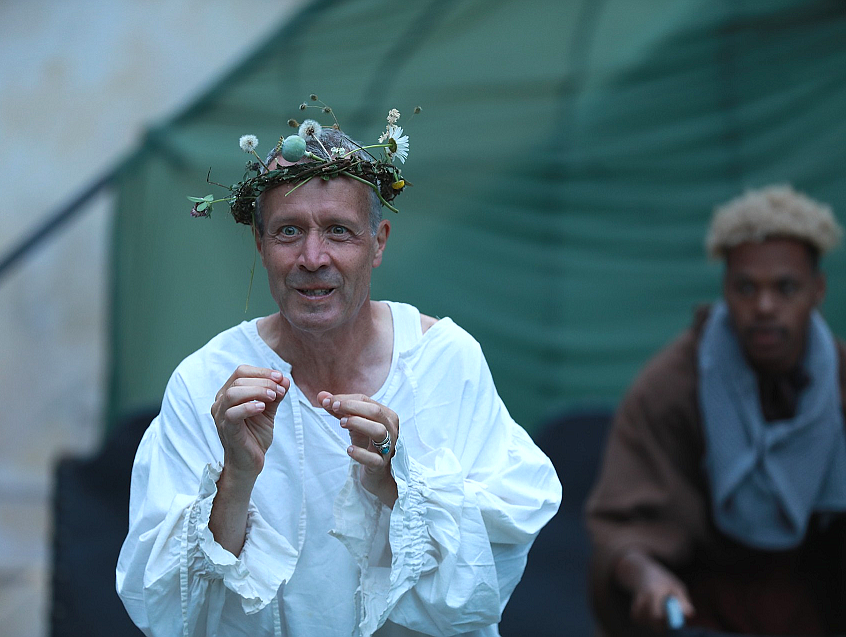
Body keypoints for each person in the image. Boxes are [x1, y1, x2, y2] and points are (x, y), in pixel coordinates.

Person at [116, 108, 561, 637]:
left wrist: (399, 484)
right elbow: (167, 608)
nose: (312, 256)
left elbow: (492, 570)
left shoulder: (444, 362)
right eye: (287, 231)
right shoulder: (207, 383)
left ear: (378, 243)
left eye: (339, 231)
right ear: (259, 245)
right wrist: (235, 477)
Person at [586, 185, 846, 636]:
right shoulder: (671, 386)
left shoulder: (841, 380)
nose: (765, 307)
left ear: (817, 290)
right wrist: (647, 575)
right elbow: (622, 526)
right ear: (725, 289)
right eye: (746, 288)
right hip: (703, 610)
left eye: (785, 288)